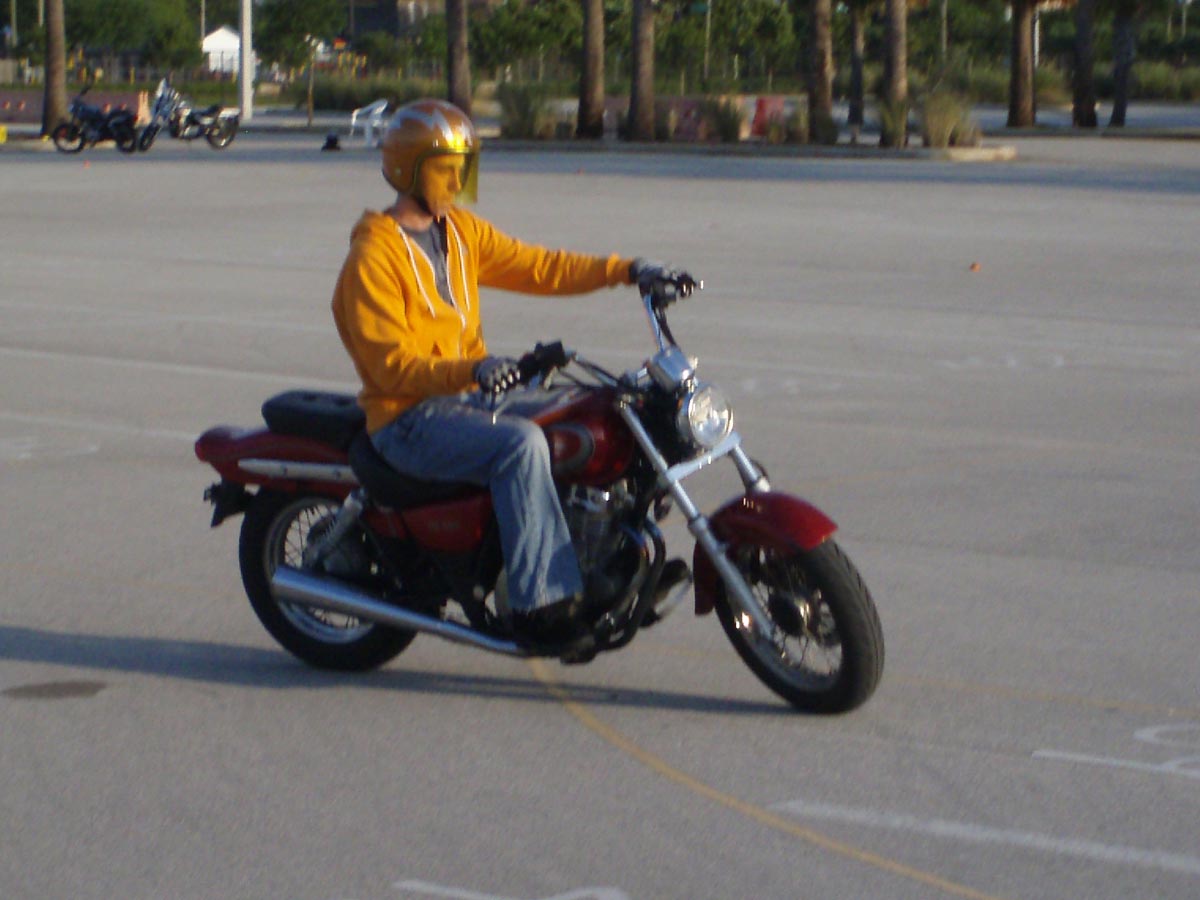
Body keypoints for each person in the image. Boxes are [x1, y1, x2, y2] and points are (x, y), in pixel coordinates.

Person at [331, 98, 678, 646]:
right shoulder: (373, 257)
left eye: (463, 169)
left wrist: (629, 270)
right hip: (407, 418)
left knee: (606, 411)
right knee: (521, 447)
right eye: (446, 170)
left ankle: (605, 558)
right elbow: (391, 366)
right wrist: (474, 367)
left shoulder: (458, 232)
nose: (457, 182)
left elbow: (539, 266)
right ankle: (543, 605)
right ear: (409, 170)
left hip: (466, 399)